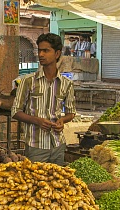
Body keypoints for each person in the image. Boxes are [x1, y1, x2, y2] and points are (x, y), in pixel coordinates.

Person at [11, 33, 76, 165]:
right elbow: (15, 112)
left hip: (58, 144)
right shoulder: (28, 81)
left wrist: (62, 121)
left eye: (46, 51)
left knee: (57, 178)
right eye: (39, 50)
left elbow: (71, 113)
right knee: (34, 178)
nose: (40, 54)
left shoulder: (67, 84)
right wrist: (37, 121)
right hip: (36, 146)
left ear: (57, 54)